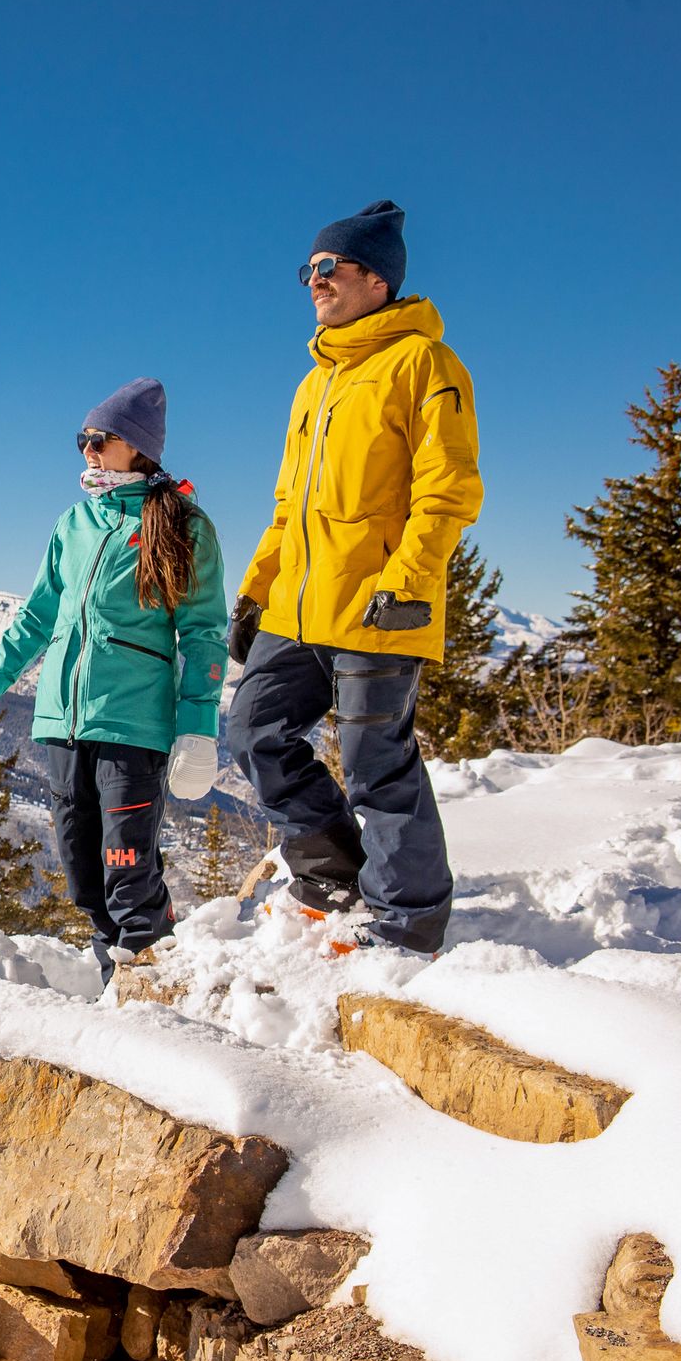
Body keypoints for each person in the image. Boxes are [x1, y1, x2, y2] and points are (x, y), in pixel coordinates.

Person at [227, 200, 483, 957]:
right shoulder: (316, 386)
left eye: (328, 267)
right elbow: (288, 507)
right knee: (253, 734)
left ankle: (408, 918)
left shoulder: (425, 365)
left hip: (377, 604)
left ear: (376, 278)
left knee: (377, 762)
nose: (314, 281)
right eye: (308, 269)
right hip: (299, 609)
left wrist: (406, 580)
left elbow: (449, 490)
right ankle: (332, 874)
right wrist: (257, 587)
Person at [0, 378, 227, 982]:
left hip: (134, 726)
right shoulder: (73, 523)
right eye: (82, 439)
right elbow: (36, 618)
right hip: (61, 726)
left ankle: (152, 989)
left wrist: (199, 727)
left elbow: (203, 633)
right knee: (84, 877)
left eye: (101, 438)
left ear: (140, 446)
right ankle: (114, 991)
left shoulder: (182, 525)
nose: (88, 450)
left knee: (128, 873)